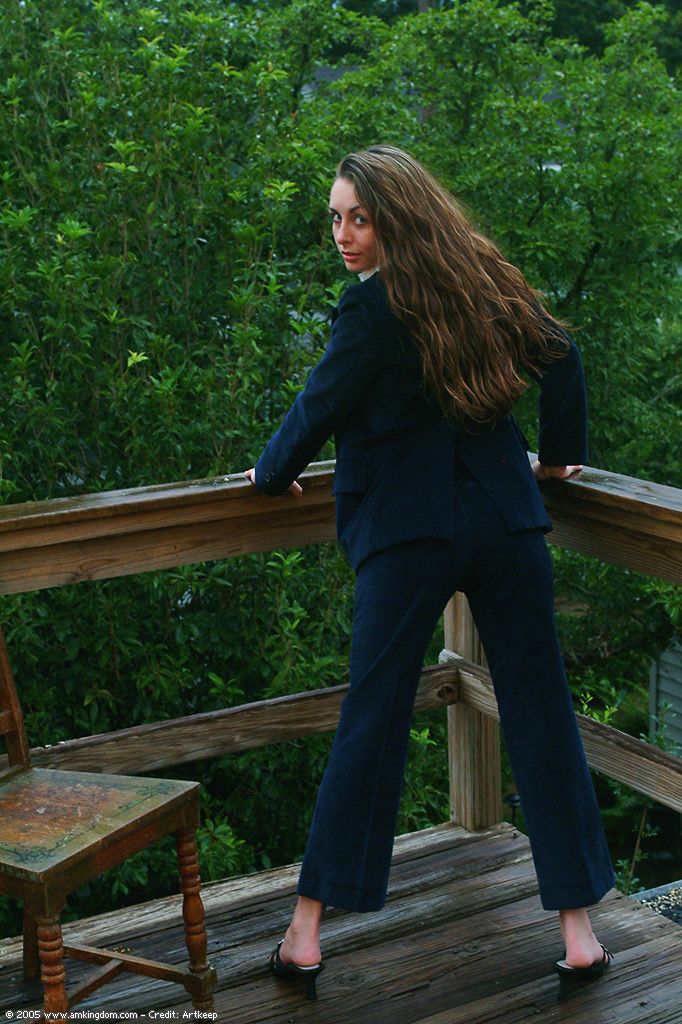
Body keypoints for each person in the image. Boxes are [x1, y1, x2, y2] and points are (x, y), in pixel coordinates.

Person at [244, 145, 615, 1003]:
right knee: (540, 712)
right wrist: (559, 457)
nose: (343, 234)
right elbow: (561, 353)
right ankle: (580, 937)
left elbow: (321, 402)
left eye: (359, 218)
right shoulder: (480, 277)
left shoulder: (371, 307)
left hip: (408, 533)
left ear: (395, 218)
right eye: (335, 218)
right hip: (505, 520)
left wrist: (271, 473)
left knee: (371, 718)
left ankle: (305, 935)